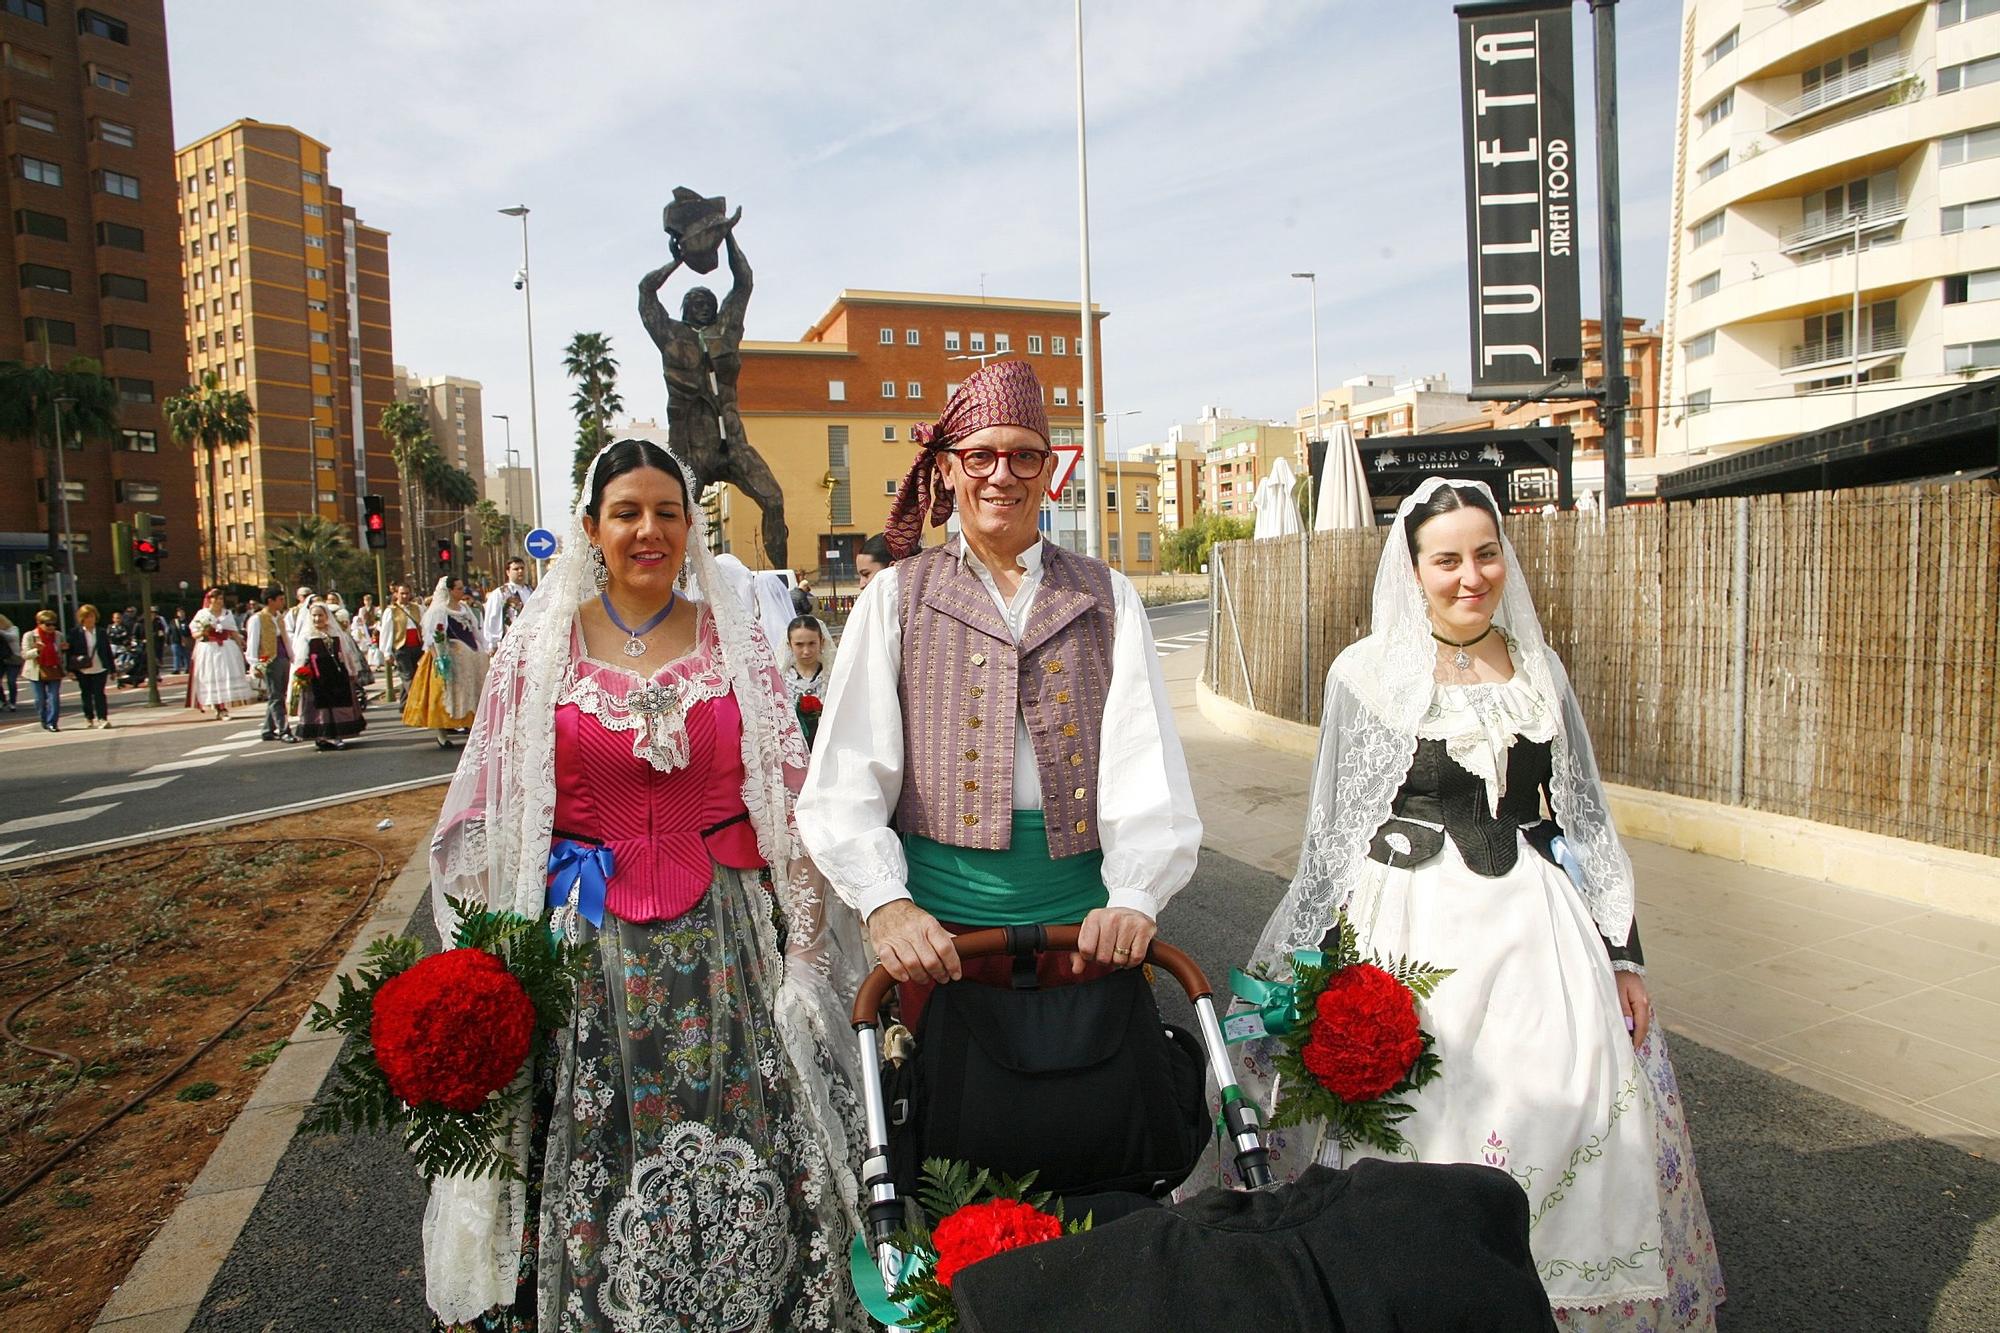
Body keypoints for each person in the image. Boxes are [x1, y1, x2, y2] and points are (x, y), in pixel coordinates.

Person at [1239, 479, 1723, 1330]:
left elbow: (1587, 820)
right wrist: (1310, 972)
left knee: (1565, 1111)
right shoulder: (1365, 672)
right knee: (1426, 1126)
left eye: (1487, 552)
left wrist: (1625, 953)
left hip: (1539, 928)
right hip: (1411, 926)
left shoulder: (1537, 667)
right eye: (1448, 557)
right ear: (1413, 568)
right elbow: (1329, 834)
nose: (1472, 575)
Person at [422, 438, 865, 1330]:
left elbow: (792, 797)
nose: (649, 530)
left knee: (740, 1130)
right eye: (627, 512)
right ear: (591, 529)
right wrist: (491, 958)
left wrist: (806, 957)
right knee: (597, 1141)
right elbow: (485, 815)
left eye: (668, 512)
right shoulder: (538, 649)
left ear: (691, 527)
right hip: (586, 943)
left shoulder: (732, 641)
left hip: (724, 941)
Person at [797, 358, 1201, 1025]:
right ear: (948, 467)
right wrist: (885, 902)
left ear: (1048, 471)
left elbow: (1145, 766)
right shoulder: (897, 597)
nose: (1002, 475)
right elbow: (845, 774)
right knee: (953, 1118)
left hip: (1084, 936)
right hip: (941, 943)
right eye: (981, 456)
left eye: (1024, 456)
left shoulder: (1107, 596)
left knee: (1090, 1114)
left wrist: (1134, 894)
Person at [400, 575, 487, 748]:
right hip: (449, 658)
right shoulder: (439, 611)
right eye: (459, 588)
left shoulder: (464, 608)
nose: (462, 591)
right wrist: (439, 658)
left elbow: (475, 630)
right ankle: (442, 734)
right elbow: (433, 638)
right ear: (449, 590)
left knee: (472, 691)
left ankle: (471, 726)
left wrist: (482, 649)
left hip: (469, 660)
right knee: (441, 695)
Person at [291, 601, 366, 751]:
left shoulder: (335, 633)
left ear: (327, 616)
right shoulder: (307, 635)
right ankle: (321, 736)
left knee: (338, 703)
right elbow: (301, 657)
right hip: (316, 675)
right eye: (314, 616)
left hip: (336, 673)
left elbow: (346, 653)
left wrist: (351, 670)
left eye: (320, 615)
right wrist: (300, 675)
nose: (317, 619)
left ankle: (338, 735)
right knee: (320, 706)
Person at [189, 588, 255, 721]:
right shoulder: (202, 614)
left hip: (225, 648)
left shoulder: (227, 613)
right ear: (210, 600)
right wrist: (204, 632)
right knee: (213, 675)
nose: (220, 601)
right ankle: (219, 707)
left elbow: (233, 632)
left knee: (225, 675)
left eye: (221, 599)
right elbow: (194, 634)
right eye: (217, 598)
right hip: (209, 648)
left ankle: (223, 706)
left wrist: (243, 644)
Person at [246, 589, 296, 743]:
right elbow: (253, 642)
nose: (283, 602)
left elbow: (286, 639)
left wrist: (292, 656)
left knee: (279, 694)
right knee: (275, 696)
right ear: (270, 601)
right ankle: (284, 730)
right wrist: (254, 663)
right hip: (269, 660)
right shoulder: (257, 619)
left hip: (283, 657)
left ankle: (268, 729)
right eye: (280, 599)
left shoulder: (280, 617)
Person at [66, 605, 115, 729]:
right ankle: (89, 717)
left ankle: (102, 718)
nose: (89, 619)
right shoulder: (75, 633)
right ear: (81, 618)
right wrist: (70, 670)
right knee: (86, 694)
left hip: (99, 667)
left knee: (99, 693)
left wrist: (112, 669)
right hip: (83, 668)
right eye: (86, 617)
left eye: (92, 616)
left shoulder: (101, 632)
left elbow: (107, 651)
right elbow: (70, 652)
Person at [383, 583, 424, 704]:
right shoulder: (391, 611)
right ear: (396, 594)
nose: (405, 596)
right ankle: (416, 702)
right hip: (401, 647)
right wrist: (387, 652)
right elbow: (387, 632)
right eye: (402, 593)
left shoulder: (418, 608)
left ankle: (404, 703)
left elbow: (424, 626)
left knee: (416, 674)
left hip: (417, 646)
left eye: (407, 593)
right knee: (408, 676)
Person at [483, 556, 532, 645]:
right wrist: (492, 643)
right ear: (508, 572)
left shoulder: (531, 591)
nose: (520, 571)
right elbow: (493, 617)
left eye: (522, 568)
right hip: (510, 642)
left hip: (530, 640)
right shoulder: (500, 593)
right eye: (516, 569)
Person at [28, 610, 63, 731]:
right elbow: (24, 654)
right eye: (48, 624)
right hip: (37, 670)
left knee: (54, 697)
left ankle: (52, 722)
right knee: (40, 699)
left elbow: (61, 652)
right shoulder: (30, 635)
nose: (51, 627)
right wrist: (37, 651)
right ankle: (44, 718)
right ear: (39, 623)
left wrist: (64, 649)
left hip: (54, 669)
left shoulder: (58, 635)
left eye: (53, 624)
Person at [0, 613, 22, 712]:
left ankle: (12, 702)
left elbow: (12, 637)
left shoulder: (13, 629)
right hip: (2, 658)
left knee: (11, 680)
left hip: (14, 658)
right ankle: (3, 699)